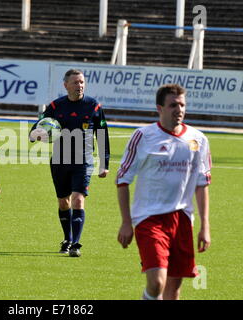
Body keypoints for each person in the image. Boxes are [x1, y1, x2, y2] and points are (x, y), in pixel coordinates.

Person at [116, 84, 211, 300]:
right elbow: (122, 180)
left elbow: (202, 183)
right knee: (157, 282)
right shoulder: (143, 136)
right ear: (160, 108)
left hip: (182, 220)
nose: (179, 110)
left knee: (173, 289)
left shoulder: (198, 140)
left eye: (182, 105)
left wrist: (205, 226)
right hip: (149, 219)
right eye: (173, 105)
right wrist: (125, 221)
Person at [29, 69, 110, 257]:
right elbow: (37, 128)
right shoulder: (55, 107)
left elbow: (102, 135)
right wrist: (36, 134)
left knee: (78, 199)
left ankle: (75, 244)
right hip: (59, 160)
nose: (79, 85)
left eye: (81, 82)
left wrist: (104, 163)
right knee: (63, 202)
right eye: (75, 82)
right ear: (66, 85)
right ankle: (67, 238)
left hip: (83, 160)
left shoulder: (94, 106)